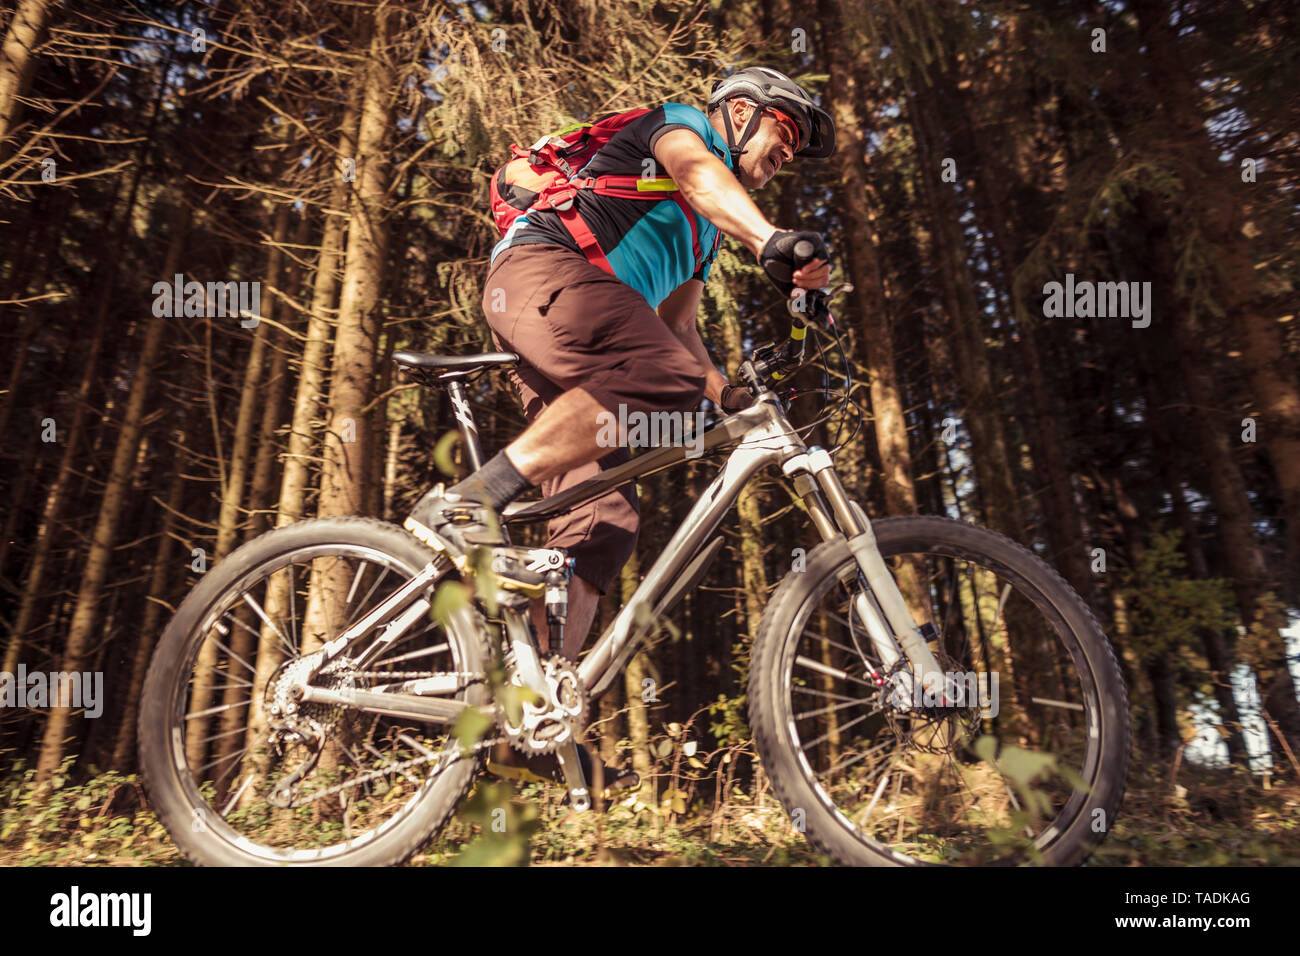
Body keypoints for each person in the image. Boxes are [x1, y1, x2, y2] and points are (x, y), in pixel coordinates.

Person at [407, 66, 836, 792]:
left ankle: (531, 718)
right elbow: (698, 174)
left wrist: (728, 395)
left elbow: (677, 330)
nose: (787, 153)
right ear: (737, 112)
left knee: (601, 522)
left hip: (582, 334)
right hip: (540, 275)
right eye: (784, 131)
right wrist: (771, 242)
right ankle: (468, 502)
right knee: (659, 378)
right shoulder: (684, 130)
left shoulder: (701, 239)